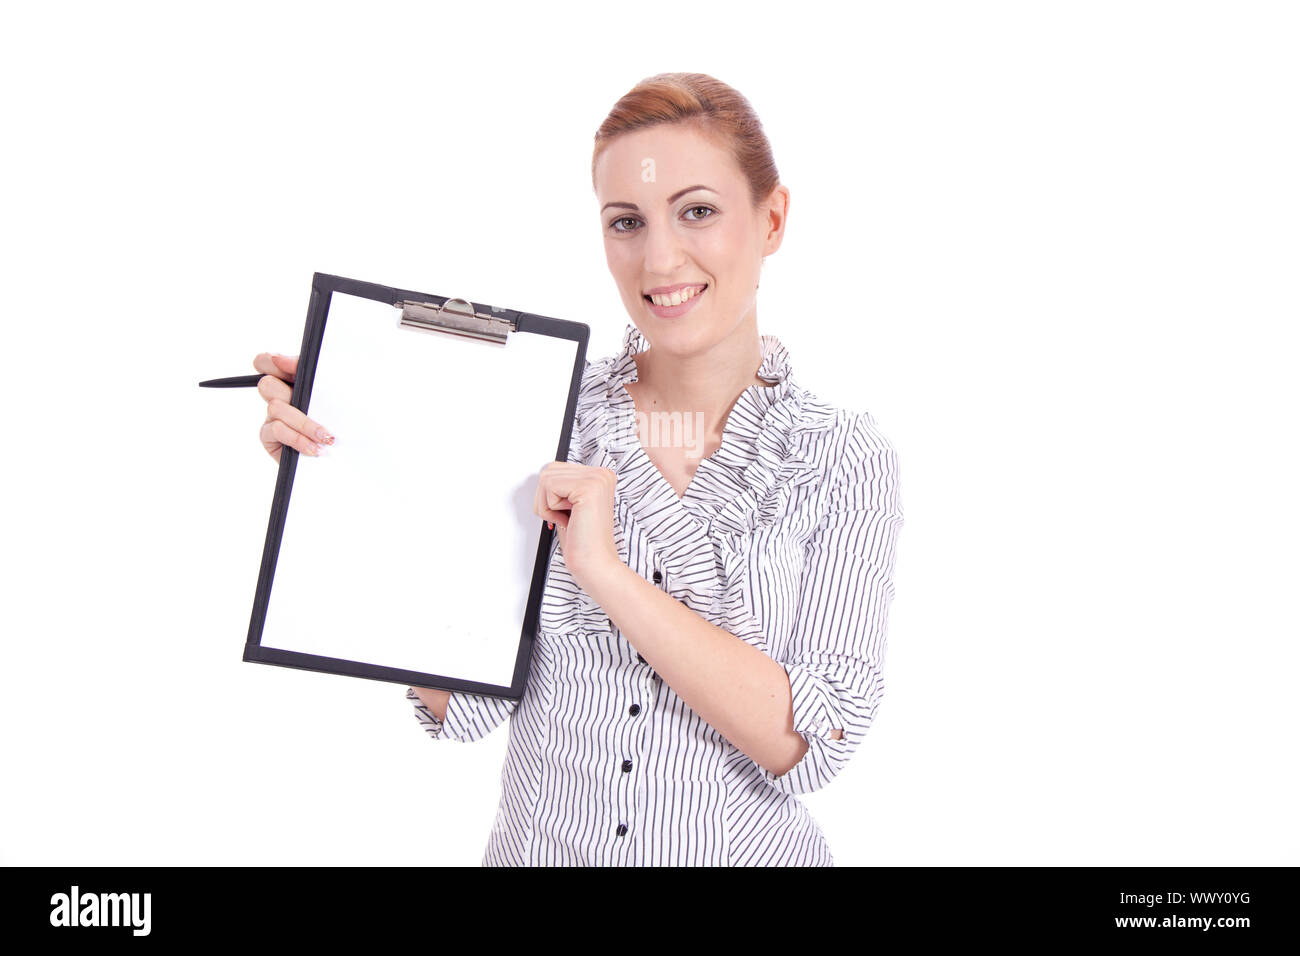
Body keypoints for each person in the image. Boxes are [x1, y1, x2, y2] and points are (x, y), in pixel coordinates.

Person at [250, 72, 904, 866]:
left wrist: (608, 573)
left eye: (697, 210)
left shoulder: (839, 458)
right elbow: (461, 708)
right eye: (626, 222)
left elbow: (811, 739)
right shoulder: (541, 413)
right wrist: (351, 474)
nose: (660, 259)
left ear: (772, 219)